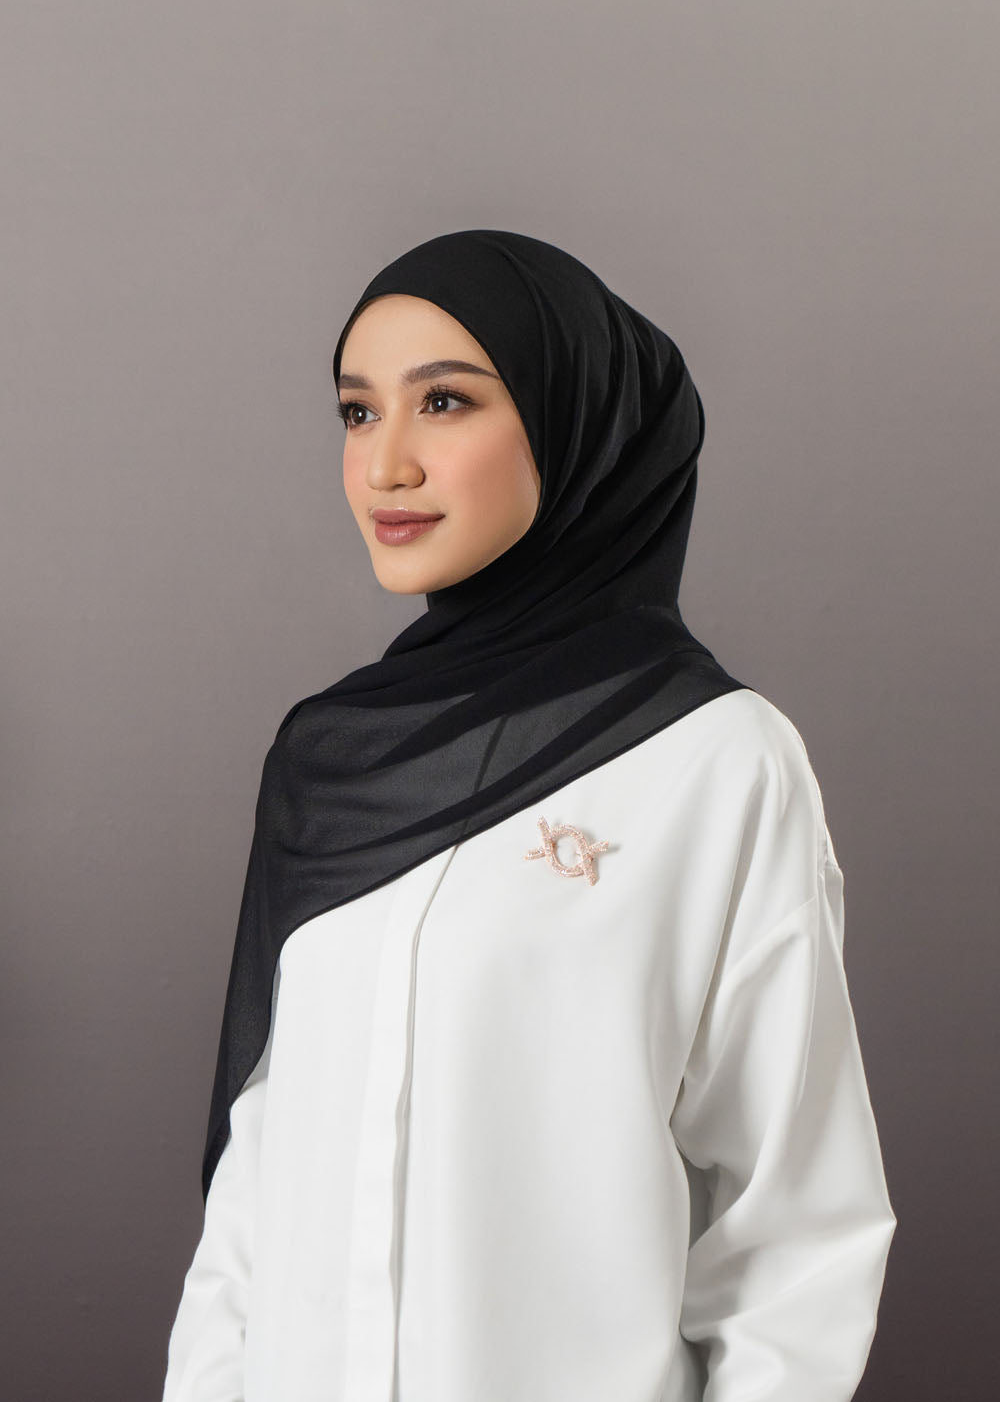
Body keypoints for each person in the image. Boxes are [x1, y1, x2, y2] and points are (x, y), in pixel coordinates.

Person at [160, 229, 896, 1402]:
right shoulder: (330, 765)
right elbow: (256, 1180)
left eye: (444, 402)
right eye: (357, 412)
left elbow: (792, 1234)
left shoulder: (714, 762)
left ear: (574, 424)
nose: (385, 464)